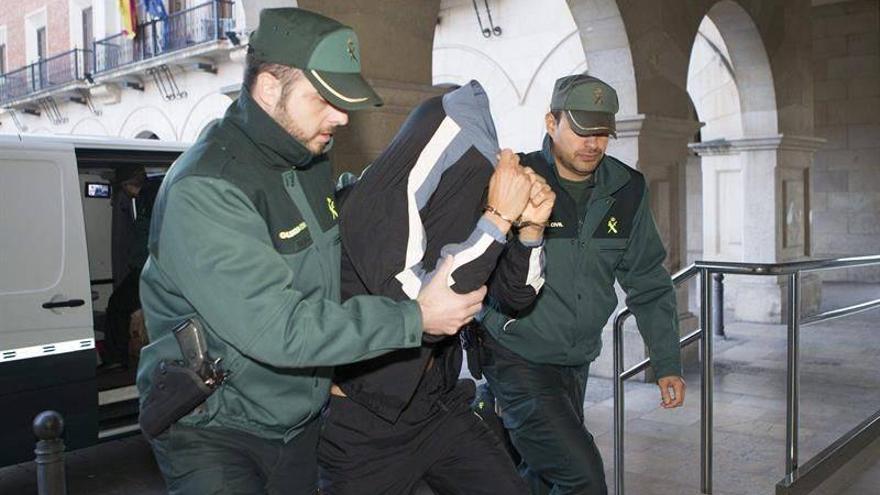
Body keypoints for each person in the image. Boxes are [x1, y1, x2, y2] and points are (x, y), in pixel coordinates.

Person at [136, 8, 488, 495]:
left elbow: (339, 223)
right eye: (324, 99)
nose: (341, 116)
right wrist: (415, 317)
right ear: (267, 90)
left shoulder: (305, 158)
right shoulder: (208, 188)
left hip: (297, 424)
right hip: (216, 431)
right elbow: (279, 327)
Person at [319, 81, 555, 494]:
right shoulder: (368, 210)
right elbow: (427, 308)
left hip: (438, 405)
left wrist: (531, 229)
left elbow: (516, 297)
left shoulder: (452, 216)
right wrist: (497, 219)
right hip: (363, 423)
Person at [478, 74, 687, 495]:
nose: (592, 143)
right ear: (552, 122)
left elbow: (647, 278)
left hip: (575, 362)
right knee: (582, 478)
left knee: (539, 476)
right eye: (580, 130)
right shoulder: (518, 178)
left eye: (602, 133)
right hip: (517, 356)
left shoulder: (627, 189)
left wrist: (666, 361)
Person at [102, 166, 160, 369]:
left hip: (147, 270)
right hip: (148, 268)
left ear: (129, 184)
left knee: (117, 305)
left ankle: (115, 359)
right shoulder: (151, 196)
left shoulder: (149, 197)